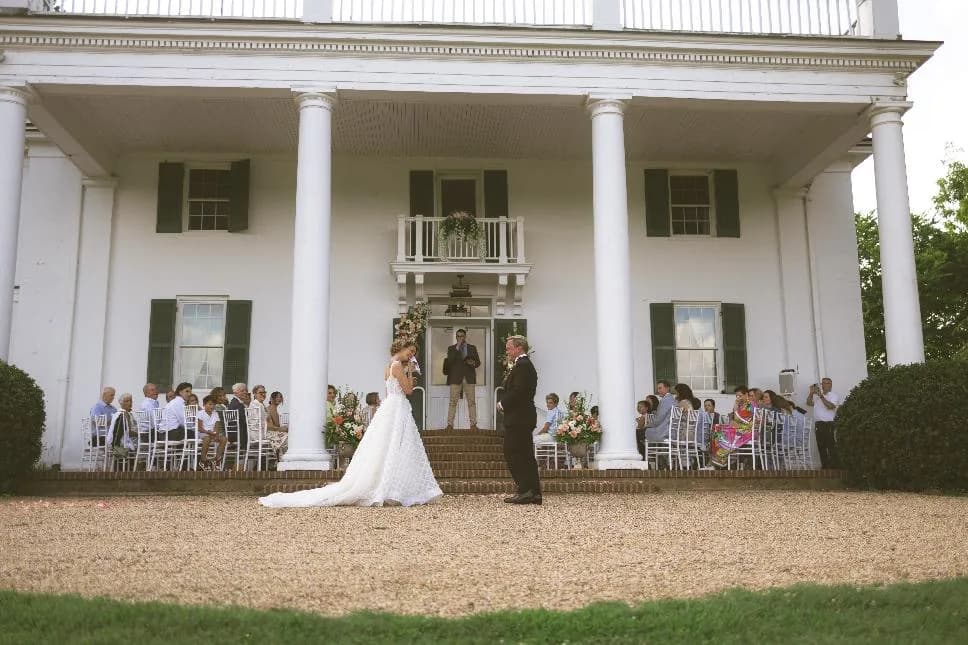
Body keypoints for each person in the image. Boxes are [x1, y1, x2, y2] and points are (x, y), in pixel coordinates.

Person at [259, 339, 442, 508]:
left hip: (392, 407)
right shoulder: (397, 366)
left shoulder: (388, 366)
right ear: (401, 348)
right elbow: (409, 390)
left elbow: (391, 392)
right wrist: (410, 371)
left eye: (413, 353)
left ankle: (392, 485)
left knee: (389, 447)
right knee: (395, 445)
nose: (411, 355)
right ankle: (390, 487)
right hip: (397, 407)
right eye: (410, 351)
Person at [497, 335, 540, 505]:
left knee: (513, 453)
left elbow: (518, 391)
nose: (507, 351)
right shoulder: (523, 365)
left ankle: (526, 490)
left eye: (509, 348)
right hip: (522, 417)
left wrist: (502, 404)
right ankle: (533, 492)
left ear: (519, 348)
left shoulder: (523, 365)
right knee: (525, 454)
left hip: (519, 418)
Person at [443, 328, 481, 431]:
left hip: (469, 378)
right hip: (455, 378)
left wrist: (472, 363)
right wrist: (457, 347)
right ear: (456, 337)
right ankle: (450, 425)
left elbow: (478, 363)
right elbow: (450, 361)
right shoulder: (451, 349)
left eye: (462, 336)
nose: (460, 338)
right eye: (458, 336)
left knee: (471, 402)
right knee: (453, 402)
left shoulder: (472, 348)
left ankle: (473, 425)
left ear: (465, 337)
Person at [808, 377, 841, 468]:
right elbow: (809, 403)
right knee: (821, 446)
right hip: (818, 424)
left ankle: (836, 466)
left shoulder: (833, 395)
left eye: (826, 383)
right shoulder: (817, 397)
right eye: (822, 383)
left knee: (830, 445)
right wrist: (811, 393)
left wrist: (821, 396)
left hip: (828, 424)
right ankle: (825, 466)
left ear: (830, 385)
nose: (824, 385)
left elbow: (830, 406)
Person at [195, 394, 228, 470]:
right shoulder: (200, 413)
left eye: (213, 404)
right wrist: (209, 432)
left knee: (224, 439)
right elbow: (200, 428)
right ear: (204, 404)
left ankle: (216, 459)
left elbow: (217, 426)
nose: (212, 406)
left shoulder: (215, 414)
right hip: (203, 433)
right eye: (210, 404)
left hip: (212, 433)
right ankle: (203, 460)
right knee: (207, 439)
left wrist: (215, 433)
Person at [107, 393, 139, 459]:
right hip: (121, 442)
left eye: (131, 401)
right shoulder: (123, 414)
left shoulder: (122, 413)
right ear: (121, 403)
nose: (129, 403)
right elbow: (129, 432)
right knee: (146, 442)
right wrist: (139, 434)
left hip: (116, 440)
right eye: (127, 401)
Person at [228, 382, 249, 448]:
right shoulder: (237, 404)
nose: (245, 392)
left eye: (246, 390)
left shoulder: (236, 402)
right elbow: (246, 420)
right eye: (242, 391)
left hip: (237, 431)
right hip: (238, 433)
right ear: (235, 393)